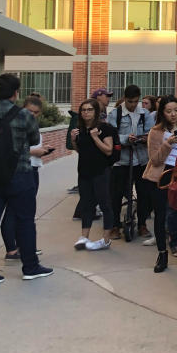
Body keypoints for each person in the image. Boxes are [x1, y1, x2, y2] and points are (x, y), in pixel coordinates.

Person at [0, 74, 53, 287]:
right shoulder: (23, 115)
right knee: (25, 221)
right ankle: (30, 267)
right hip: (19, 175)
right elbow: (35, 139)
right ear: (15, 92)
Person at [143, 95, 177, 272]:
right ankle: (162, 254)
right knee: (160, 215)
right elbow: (155, 160)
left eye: (176, 110)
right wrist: (168, 143)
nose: (173, 114)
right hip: (162, 175)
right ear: (162, 113)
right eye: (168, 111)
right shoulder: (156, 132)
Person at [1, 95, 52, 262]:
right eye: (30, 111)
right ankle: (11, 250)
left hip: (32, 169)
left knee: (24, 212)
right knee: (13, 212)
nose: (32, 115)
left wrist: (42, 150)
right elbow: (11, 149)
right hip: (20, 171)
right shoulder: (15, 125)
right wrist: (34, 152)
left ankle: (24, 246)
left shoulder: (31, 125)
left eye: (36, 113)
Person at [71, 99, 119, 251]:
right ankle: (84, 236)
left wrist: (95, 137)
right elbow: (81, 150)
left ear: (96, 112)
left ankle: (106, 239)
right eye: (83, 110)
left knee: (104, 204)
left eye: (89, 109)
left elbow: (108, 150)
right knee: (87, 204)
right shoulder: (80, 129)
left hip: (101, 171)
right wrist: (73, 140)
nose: (86, 112)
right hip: (84, 172)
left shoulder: (104, 128)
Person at [108, 84, 154, 240]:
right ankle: (115, 226)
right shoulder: (115, 114)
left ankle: (142, 224)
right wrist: (125, 139)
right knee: (116, 194)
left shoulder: (145, 114)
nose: (133, 105)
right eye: (130, 102)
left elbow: (151, 133)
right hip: (121, 161)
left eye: (135, 101)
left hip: (141, 160)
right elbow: (111, 137)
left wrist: (144, 138)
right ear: (124, 99)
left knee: (144, 193)